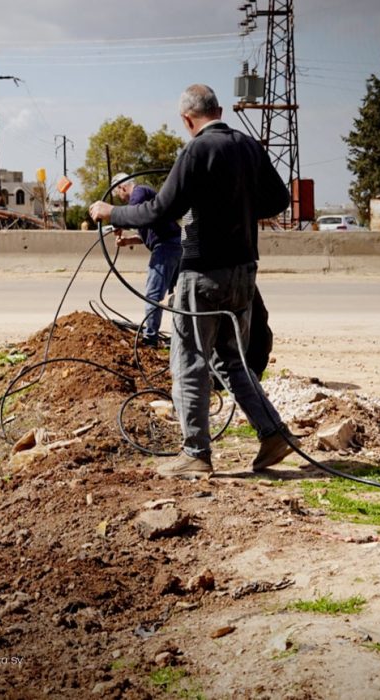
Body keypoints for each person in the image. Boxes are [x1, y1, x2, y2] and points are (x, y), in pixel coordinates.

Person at [89, 83, 295, 479]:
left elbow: (159, 210)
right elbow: (278, 200)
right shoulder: (249, 146)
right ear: (219, 111)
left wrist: (111, 212)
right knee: (230, 359)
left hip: (202, 274)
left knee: (188, 361)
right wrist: (237, 205)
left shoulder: (196, 150)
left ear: (187, 119)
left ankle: (196, 454)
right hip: (243, 273)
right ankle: (273, 433)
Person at [109, 173, 182, 347]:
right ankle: (182, 338)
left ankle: (150, 339)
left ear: (121, 187)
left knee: (153, 294)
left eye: (118, 194)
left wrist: (117, 220)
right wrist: (128, 241)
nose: (120, 198)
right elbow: (149, 235)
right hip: (173, 243)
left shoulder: (139, 192)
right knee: (179, 295)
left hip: (167, 245)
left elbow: (131, 214)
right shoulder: (143, 202)